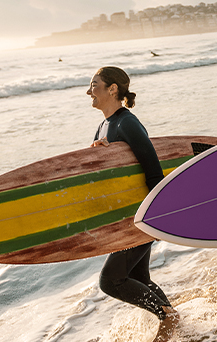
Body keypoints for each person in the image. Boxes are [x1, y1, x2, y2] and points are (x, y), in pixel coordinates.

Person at [87, 66, 179, 342]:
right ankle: (174, 321)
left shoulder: (127, 122)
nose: (88, 91)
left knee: (111, 280)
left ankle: (167, 317)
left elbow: (152, 168)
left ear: (112, 89)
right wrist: (97, 153)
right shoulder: (103, 125)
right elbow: (101, 175)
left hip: (142, 214)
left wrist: (158, 214)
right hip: (124, 216)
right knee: (138, 275)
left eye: (94, 85)